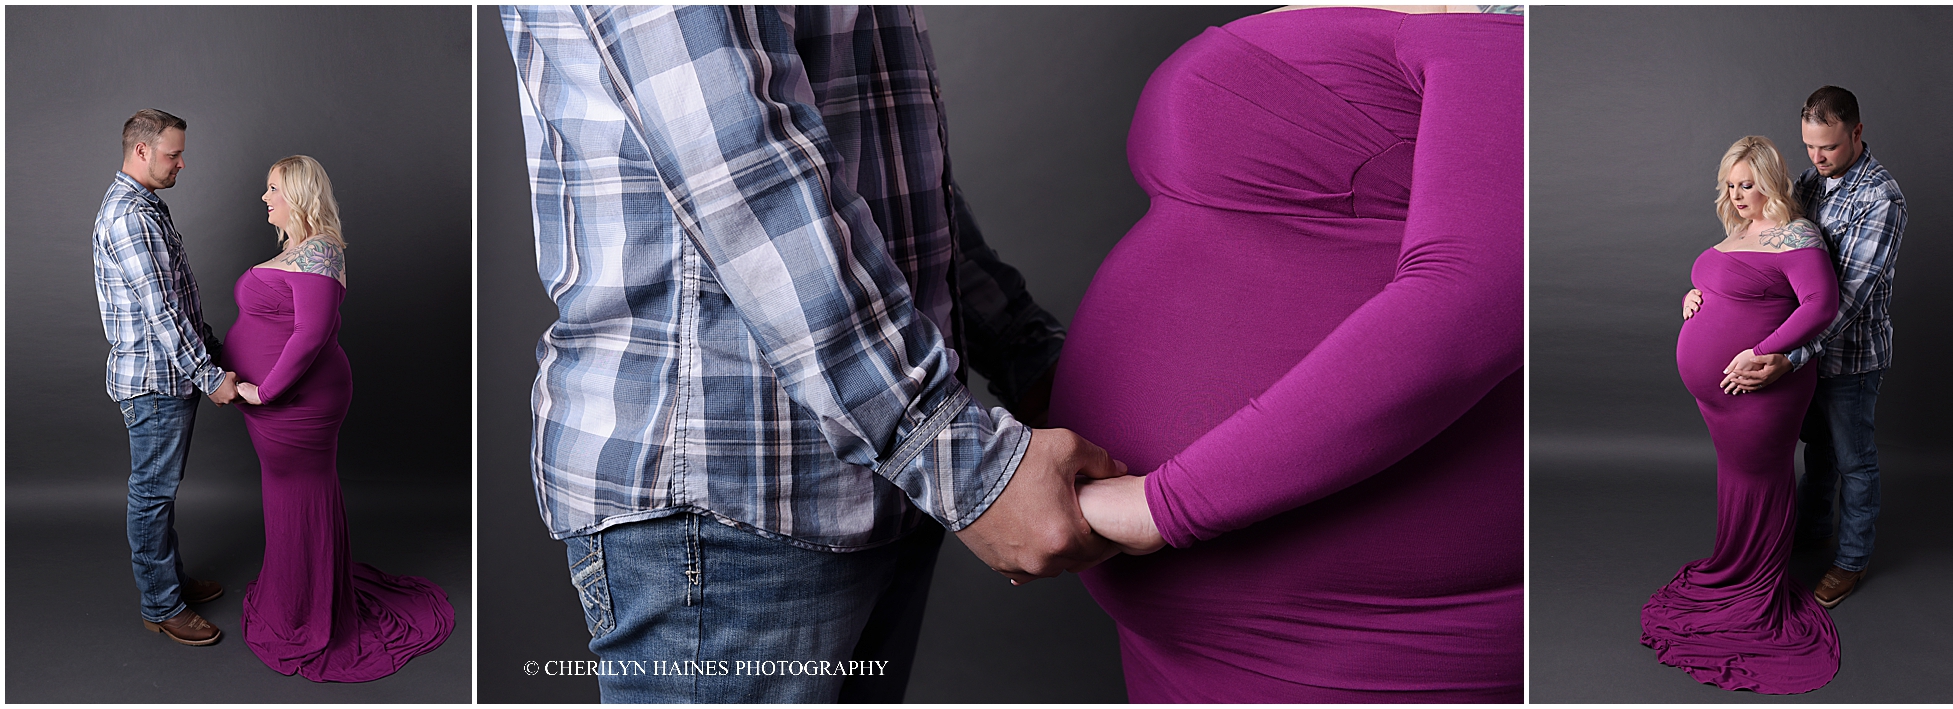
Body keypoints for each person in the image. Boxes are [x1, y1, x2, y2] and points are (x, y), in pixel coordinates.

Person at [501, 6, 1115, 702]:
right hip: (728, 504)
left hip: (882, 476)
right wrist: (958, 459)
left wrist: (1024, 352)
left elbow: (861, 170)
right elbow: (744, 169)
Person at [1055, 6, 1525, 701]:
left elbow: (1477, 294)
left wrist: (1163, 506)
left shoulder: (1497, 29)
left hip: (1362, 631)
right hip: (1181, 630)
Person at [221, 155, 454, 681]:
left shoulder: (321, 250)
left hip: (298, 403)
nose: (264, 198)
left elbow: (311, 334)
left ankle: (306, 611)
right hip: (276, 401)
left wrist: (266, 393)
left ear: (299, 195)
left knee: (297, 491)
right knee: (287, 492)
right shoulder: (301, 252)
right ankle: (297, 593)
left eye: (273, 188)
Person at [1643, 136, 1840, 693]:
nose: (1737, 194)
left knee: (1760, 475)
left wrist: (1763, 352)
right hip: (1717, 394)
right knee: (1737, 474)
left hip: (1763, 387)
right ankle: (1735, 563)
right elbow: (1734, 284)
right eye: (1730, 185)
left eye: (1747, 184)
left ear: (1772, 182)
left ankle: (1755, 583)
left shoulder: (1796, 234)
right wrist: (1694, 291)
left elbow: (1820, 305)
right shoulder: (1739, 233)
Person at [1703, 86, 1906, 609]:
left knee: (1853, 459)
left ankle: (1851, 561)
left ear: (1857, 133)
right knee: (1816, 451)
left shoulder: (1880, 198)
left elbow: (1845, 301)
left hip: (1849, 354)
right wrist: (1710, 287)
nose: (1817, 158)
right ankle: (1814, 532)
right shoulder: (1812, 182)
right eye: (1809, 147)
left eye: (1829, 147)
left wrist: (1787, 357)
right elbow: (1770, 242)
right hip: (1799, 359)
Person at [93, 109, 239, 647]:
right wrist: (209, 374)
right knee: (152, 494)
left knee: (161, 491)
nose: (182, 162)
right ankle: (161, 605)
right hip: (157, 384)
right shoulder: (131, 216)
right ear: (140, 152)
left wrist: (216, 351)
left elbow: (174, 299)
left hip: (166, 375)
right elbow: (161, 313)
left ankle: (168, 579)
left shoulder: (145, 207)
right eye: (173, 154)